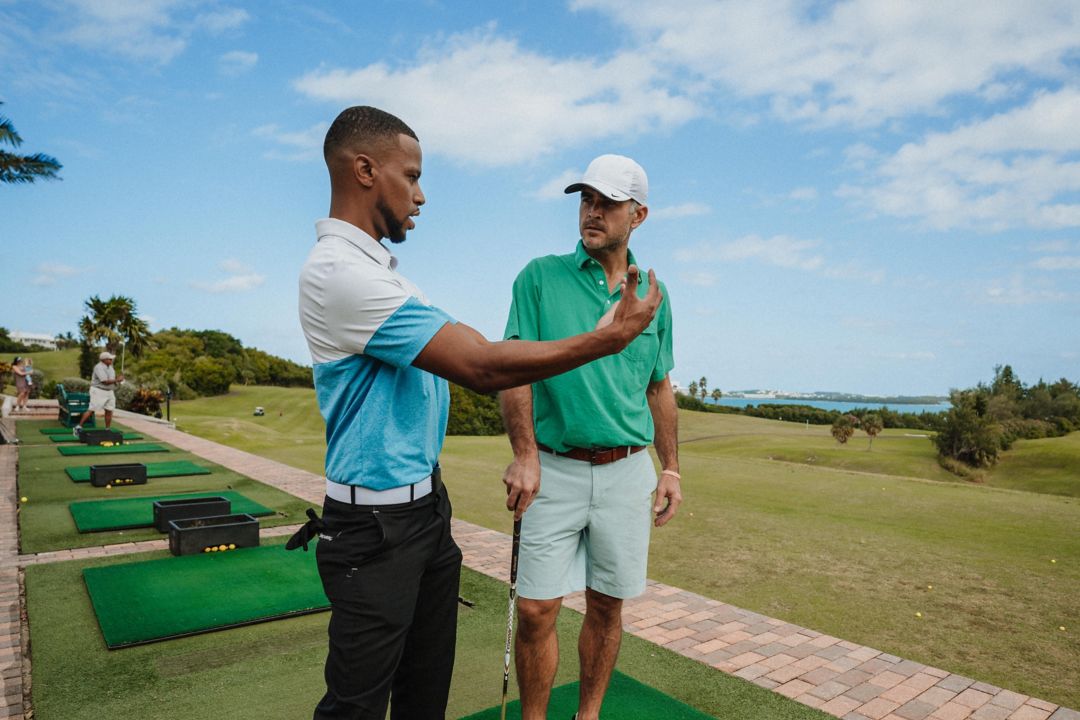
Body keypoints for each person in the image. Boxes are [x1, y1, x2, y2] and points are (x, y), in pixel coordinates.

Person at [295, 106, 662, 720]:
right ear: (363, 170)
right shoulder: (337, 275)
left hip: (423, 513)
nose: (421, 195)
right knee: (356, 705)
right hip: (372, 526)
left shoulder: (385, 275)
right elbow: (484, 367)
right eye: (410, 176)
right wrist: (607, 339)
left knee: (425, 691)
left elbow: (487, 355)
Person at [500, 154, 682, 720]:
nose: (592, 212)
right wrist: (524, 454)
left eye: (606, 202)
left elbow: (659, 386)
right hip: (553, 467)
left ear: (639, 215)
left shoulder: (654, 293)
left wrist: (670, 467)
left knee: (606, 607)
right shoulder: (538, 276)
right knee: (535, 610)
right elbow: (513, 370)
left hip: (628, 471)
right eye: (586, 199)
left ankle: (588, 716)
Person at [75, 351, 123, 434]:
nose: (111, 360)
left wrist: (118, 380)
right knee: (92, 409)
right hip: (98, 391)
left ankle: (107, 429)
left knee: (109, 410)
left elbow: (111, 380)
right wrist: (117, 380)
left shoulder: (111, 367)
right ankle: (78, 427)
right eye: (110, 359)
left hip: (109, 392)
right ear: (104, 360)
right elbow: (104, 381)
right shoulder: (98, 367)